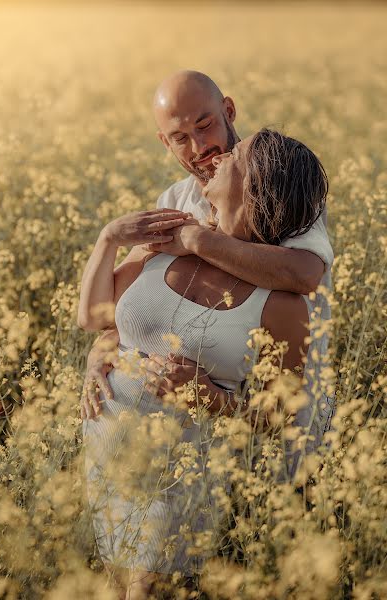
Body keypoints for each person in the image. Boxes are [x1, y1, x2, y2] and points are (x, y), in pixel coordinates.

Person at [79, 128, 334, 599]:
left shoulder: (282, 303)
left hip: (181, 471)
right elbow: (99, 318)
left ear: (255, 186)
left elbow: (279, 415)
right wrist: (100, 352)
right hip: (108, 444)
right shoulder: (173, 230)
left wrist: (213, 399)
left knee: (146, 587)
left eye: (232, 155)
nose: (211, 159)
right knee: (113, 577)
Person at [80, 70, 334, 425]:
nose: (200, 148)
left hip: (274, 423)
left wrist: (198, 240)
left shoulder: (281, 182)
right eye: (180, 137)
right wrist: (105, 345)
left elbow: (302, 274)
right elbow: (123, 308)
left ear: (228, 110)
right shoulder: (174, 201)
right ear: (164, 142)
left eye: (205, 125)